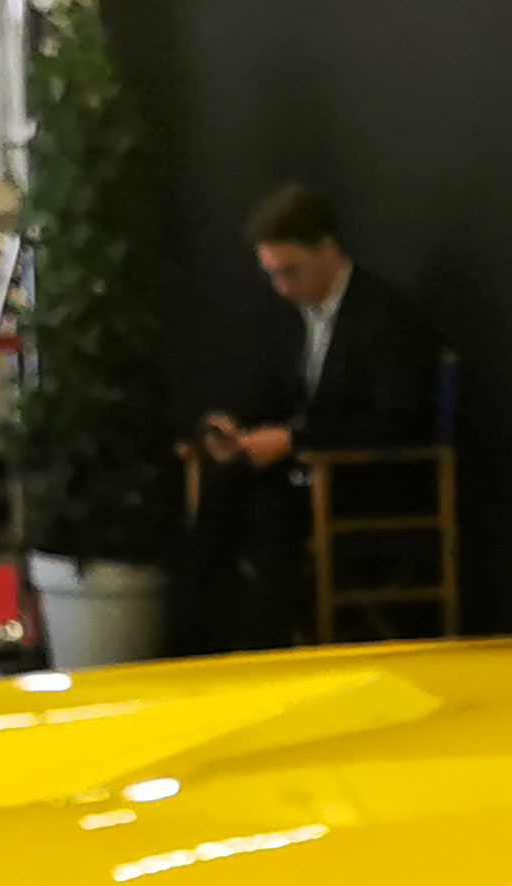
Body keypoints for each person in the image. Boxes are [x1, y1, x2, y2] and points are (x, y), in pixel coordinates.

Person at [191, 184, 438, 647]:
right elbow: (274, 396)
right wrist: (234, 428)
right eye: (273, 275)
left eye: (291, 272)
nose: (282, 287)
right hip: (304, 473)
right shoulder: (290, 315)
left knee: (270, 511)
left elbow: (397, 422)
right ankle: (202, 642)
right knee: (221, 485)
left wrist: (295, 441)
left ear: (326, 249)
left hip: (365, 482)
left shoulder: (383, 315)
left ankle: (270, 650)